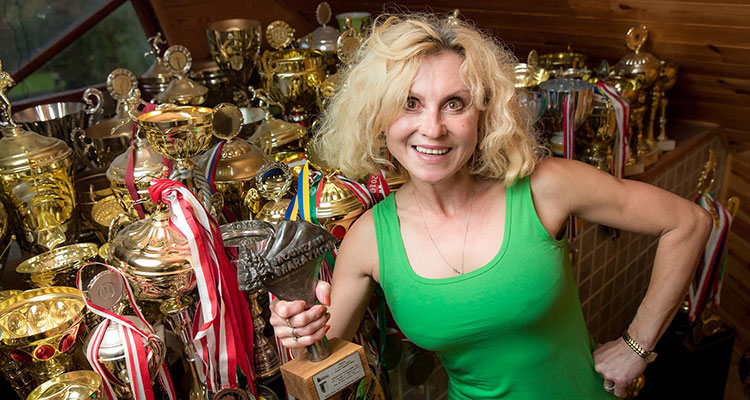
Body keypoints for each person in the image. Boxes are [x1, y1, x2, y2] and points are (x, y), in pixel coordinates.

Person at [269, 12, 712, 399]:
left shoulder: (544, 186)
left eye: (454, 104)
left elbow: (688, 223)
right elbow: (323, 359)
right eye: (410, 104)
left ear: (484, 113)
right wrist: (300, 329)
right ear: (378, 117)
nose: (433, 128)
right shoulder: (368, 239)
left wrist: (637, 346)